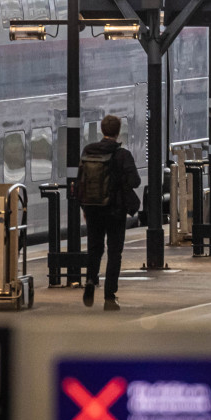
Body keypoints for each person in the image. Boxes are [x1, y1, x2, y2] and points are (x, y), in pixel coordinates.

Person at [78, 115, 140, 311]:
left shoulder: (88, 151)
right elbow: (135, 181)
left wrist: (85, 208)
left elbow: (81, 182)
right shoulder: (122, 155)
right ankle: (109, 297)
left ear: (102, 130)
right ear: (118, 131)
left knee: (94, 249)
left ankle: (90, 280)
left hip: (92, 208)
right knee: (114, 253)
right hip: (115, 211)